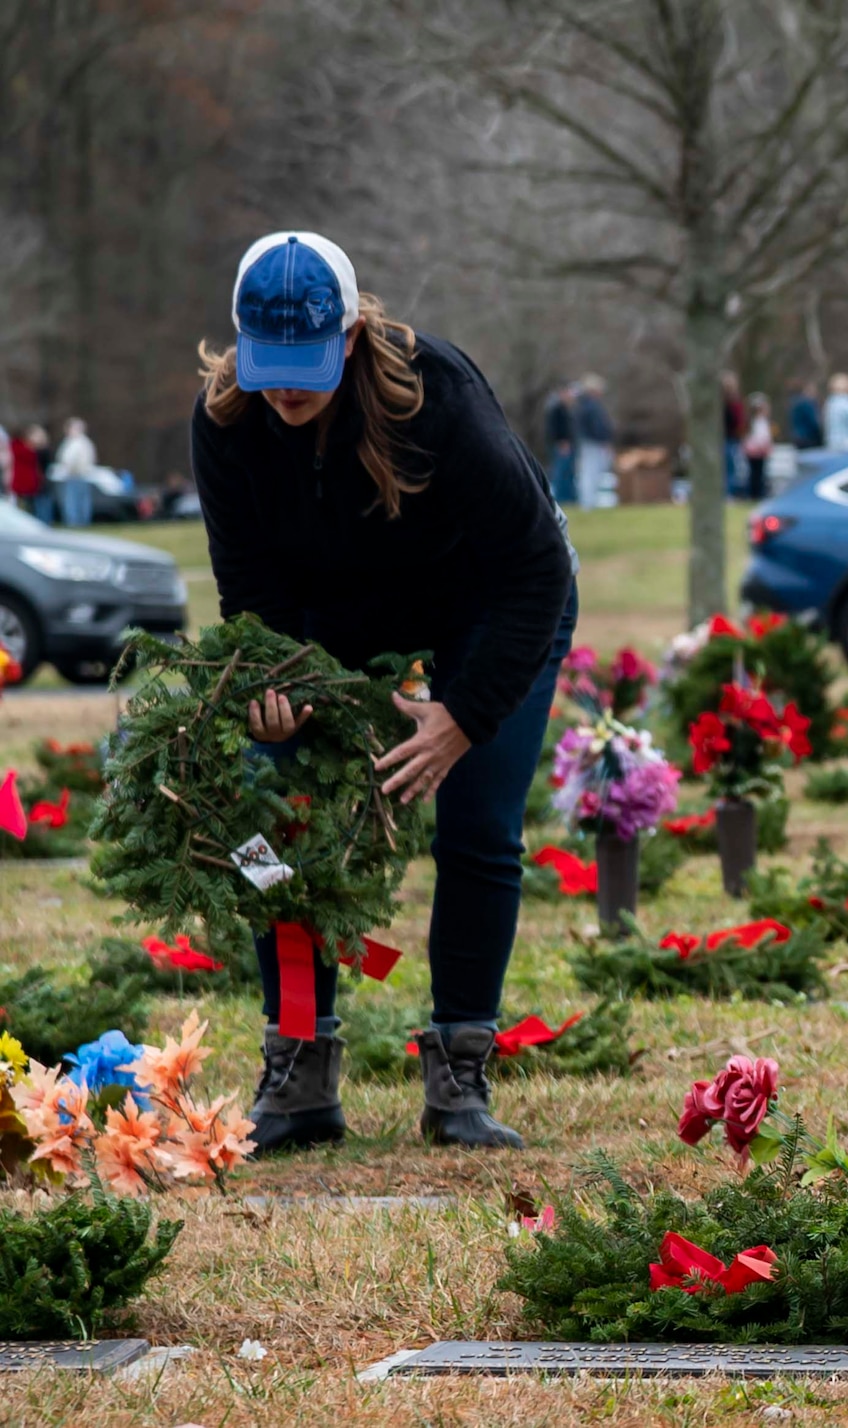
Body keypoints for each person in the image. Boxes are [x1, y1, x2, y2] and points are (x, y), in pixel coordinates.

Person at [190, 231, 576, 1155]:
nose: (287, 387)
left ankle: (460, 1077)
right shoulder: (225, 425)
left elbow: (536, 571)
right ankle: (301, 1071)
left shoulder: (436, 399)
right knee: (276, 822)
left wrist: (463, 717)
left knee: (478, 826)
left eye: (308, 366)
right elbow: (251, 589)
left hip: (492, 604)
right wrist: (278, 683)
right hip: (339, 619)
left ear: (353, 335)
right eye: (269, 365)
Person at [572, 375, 616, 508]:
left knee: (590, 472)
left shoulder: (584, 405)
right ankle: (588, 502)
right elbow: (597, 427)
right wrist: (604, 440)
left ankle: (589, 501)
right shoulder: (590, 406)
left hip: (589, 442)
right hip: (592, 443)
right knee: (590, 472)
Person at [52, 417, 97, 528]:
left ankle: (77, 522)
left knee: (75, 501)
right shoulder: (70, 442)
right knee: (75, 501)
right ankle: (76, 522)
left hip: (77, 475)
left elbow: (73, 460)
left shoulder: (80, 443)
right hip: (72, 475)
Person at [542, 382, 577, 505]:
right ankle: (561, 499)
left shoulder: (567, 409)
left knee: (569, 474)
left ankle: (569, 499)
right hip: (561, 446)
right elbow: (553, 429)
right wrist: (561, 442)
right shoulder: (556, 409)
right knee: (560, 473)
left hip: (569, 445)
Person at [744, 392, 774, 501]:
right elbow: (760, 437)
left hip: (757, 451)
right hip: (757, 452)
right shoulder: (757, 422)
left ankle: (756, 494)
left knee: (758, 474)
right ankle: (755, 495)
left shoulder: (758, 422)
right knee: (756, 474)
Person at [721, 370, 747, 496]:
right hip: (730, 438)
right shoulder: (733, 403)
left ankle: (725, 493)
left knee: (725, 469)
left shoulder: (718, 402)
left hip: (723, 439)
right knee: (730, 469)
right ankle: (728, 494)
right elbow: (739, 422)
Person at [788, 379, 823, 450]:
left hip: (798, 438)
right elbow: (814, 423)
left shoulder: (795, 403)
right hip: (809, 438)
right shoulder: (808, 404)